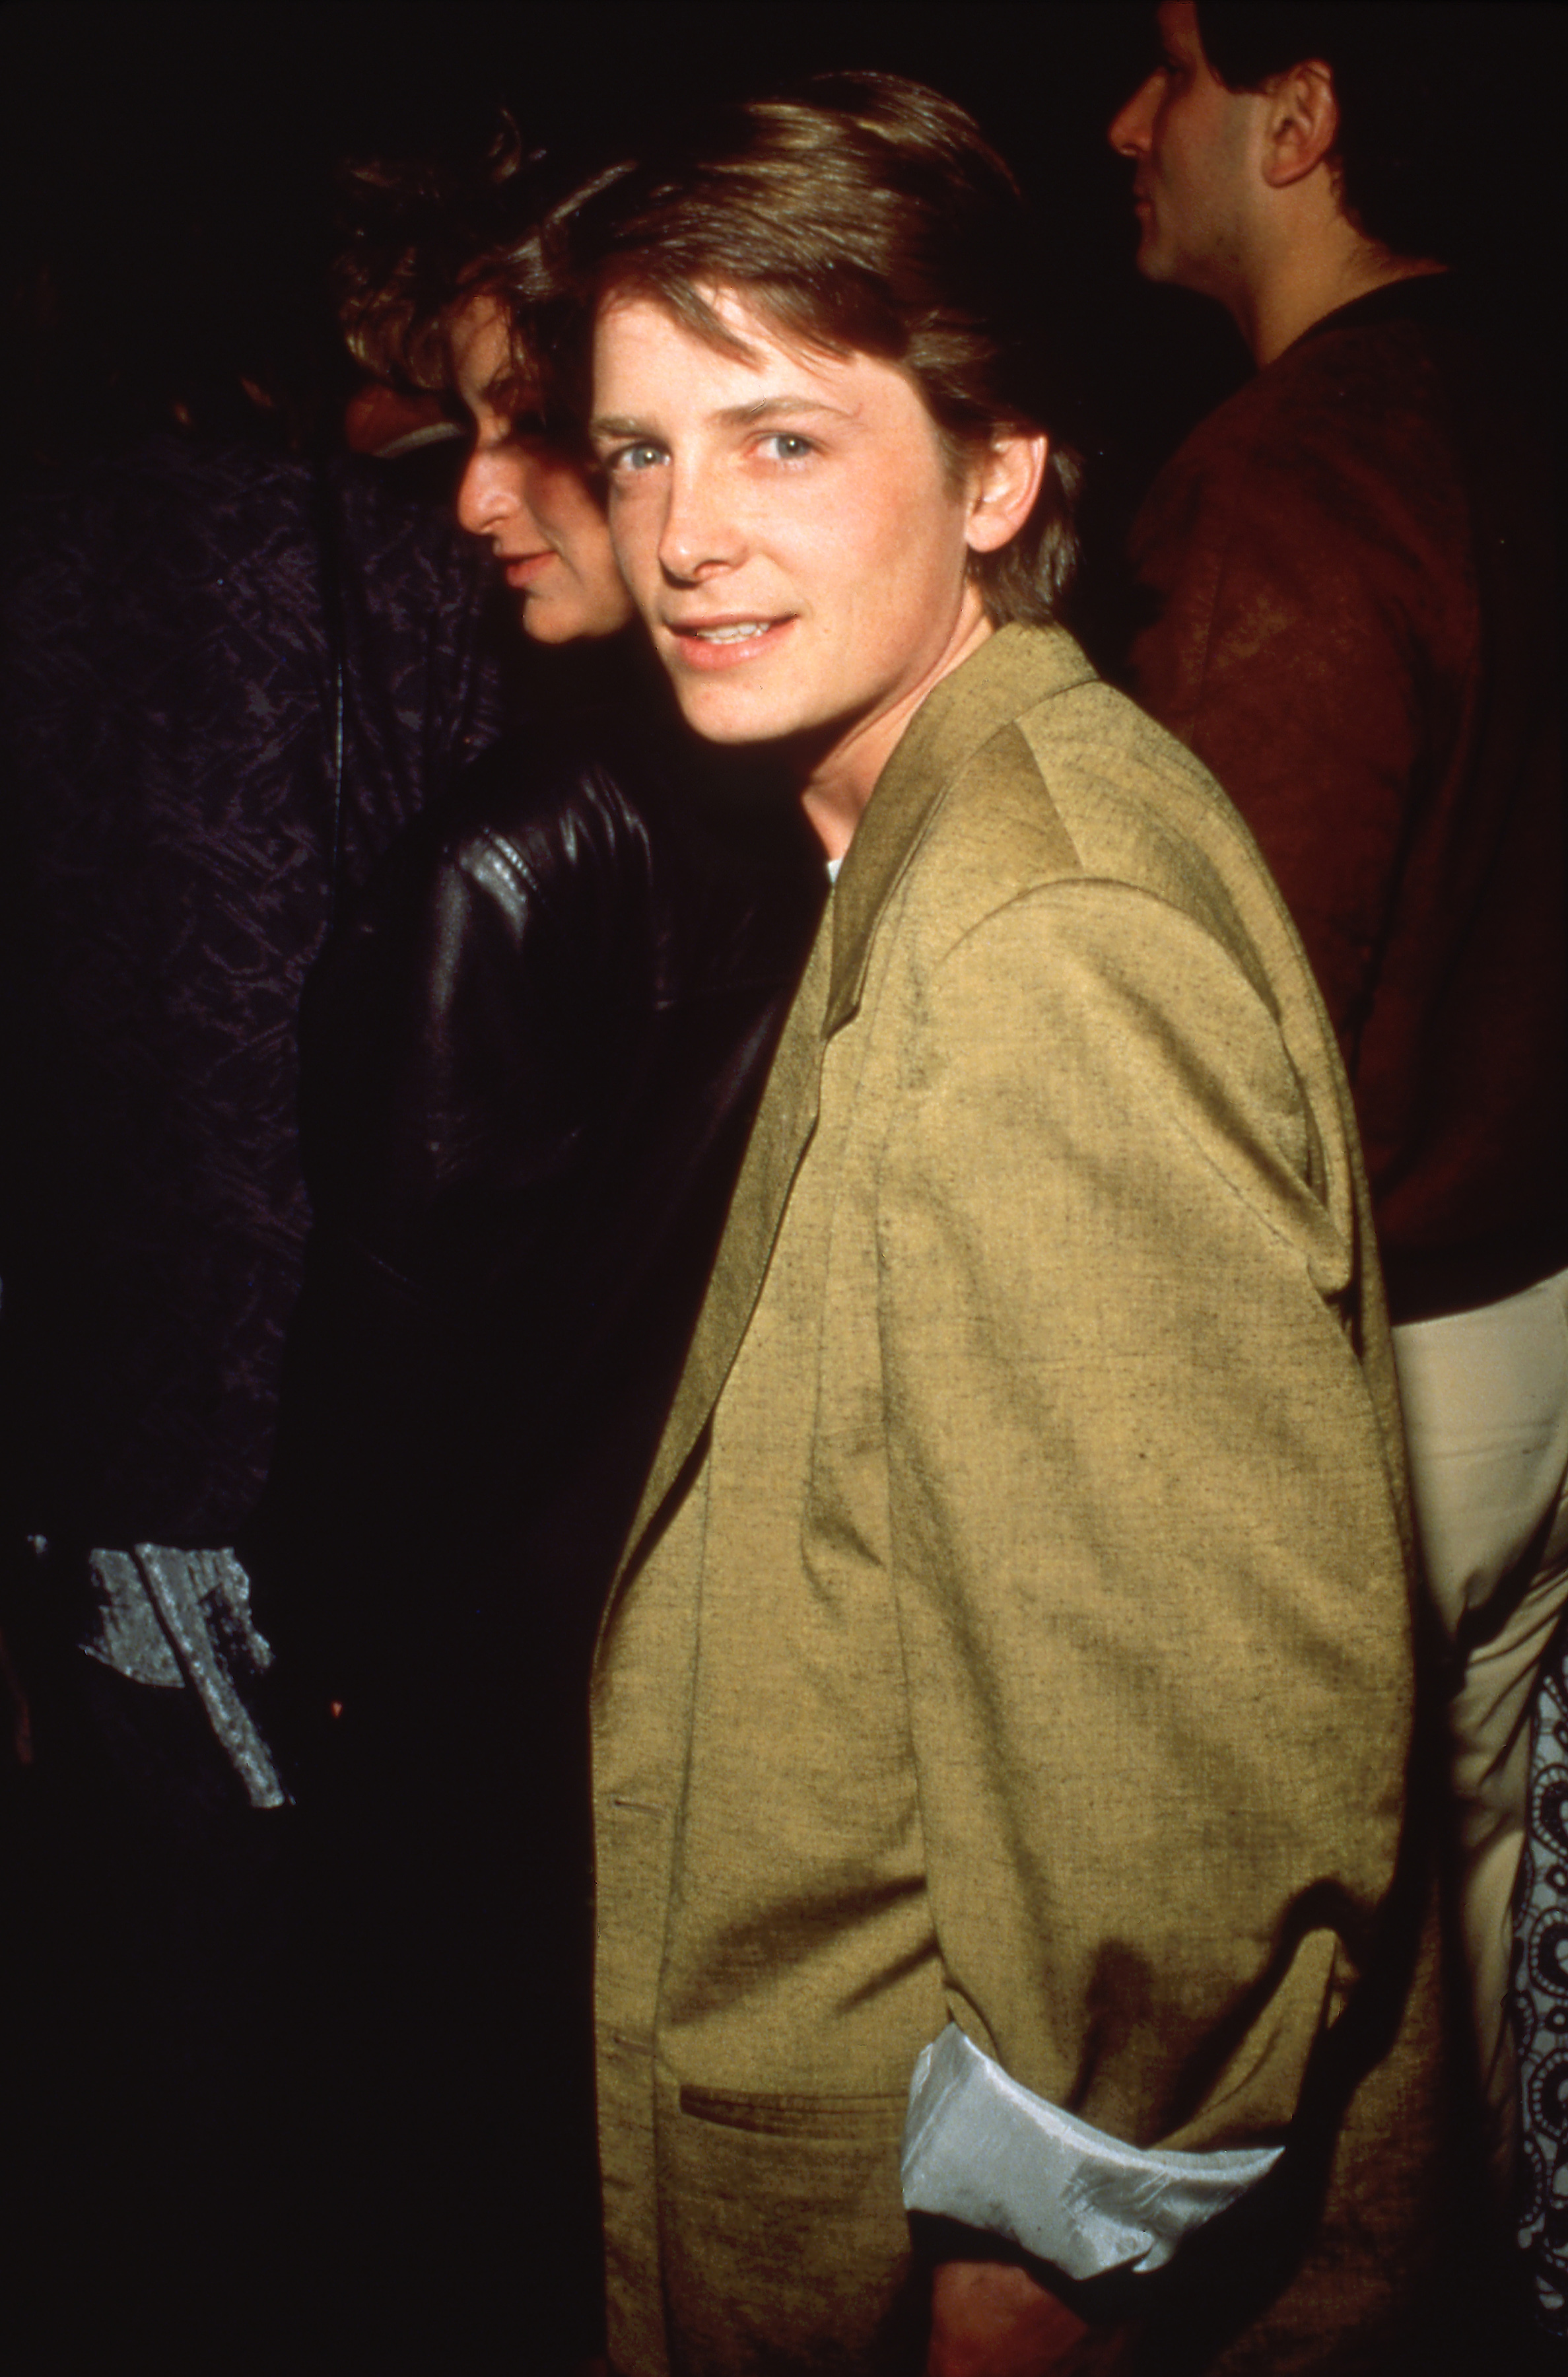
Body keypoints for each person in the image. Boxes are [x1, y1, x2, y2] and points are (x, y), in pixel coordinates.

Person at [555, 69, 1459, 2374]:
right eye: (641, 446)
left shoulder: (1043, 932)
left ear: (1000, 472)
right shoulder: (950, 814)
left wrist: (1037, 2272)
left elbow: (1188, 1798)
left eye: (779, 437)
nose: (683, 535)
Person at [250, 178, 823, 2370]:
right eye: (485, 423)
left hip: (510, 1735)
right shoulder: (805, 783)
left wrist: (328, 1672)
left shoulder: (514, 849)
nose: (482, 491)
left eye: (550, 428)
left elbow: (388, 1388)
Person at [1108, 1, 1567, 2231]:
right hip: (1536, 1320)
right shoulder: (1516, 397)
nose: (1126, 118)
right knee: (1467, 1896)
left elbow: (1221, 1029)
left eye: (1171, 69)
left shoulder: (1298, 475)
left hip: (1365, 1351)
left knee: (1290, 1967)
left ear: (1302, 121)